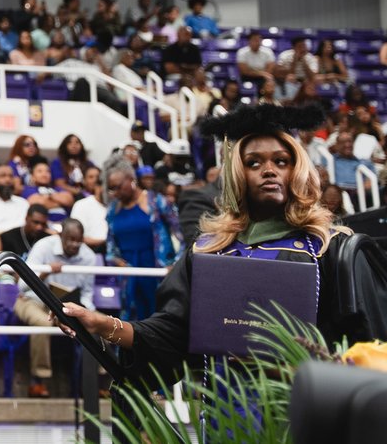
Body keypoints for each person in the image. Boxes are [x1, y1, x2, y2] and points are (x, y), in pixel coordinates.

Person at [61, 104, 387, 391]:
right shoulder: (209, 251)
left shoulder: (332, 249)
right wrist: (104, 325)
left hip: (306, 418)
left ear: (297, 170)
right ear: (237, 174)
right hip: (227, 418)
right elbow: (173, 334)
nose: (269, 170)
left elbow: (369, 353)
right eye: (254, 163)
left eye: (281, 161)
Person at [14, 219, 95, 398]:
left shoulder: (88, 256)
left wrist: (86, 312)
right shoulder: (44, 247)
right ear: (60, 236)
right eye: (70, 239)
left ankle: (97, 384)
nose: (75, 244)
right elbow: (22, 287)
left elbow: (87, 293)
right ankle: (39, 381)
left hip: (68, 305)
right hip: (34, 300)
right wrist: (45, 272)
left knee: (99, 322)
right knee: (43, 323)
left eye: (79, 240)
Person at [104, 155, 182, 321]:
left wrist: (175, 264)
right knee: (131, 321)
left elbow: (182, 235)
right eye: (111, 189)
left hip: (156, 270)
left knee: (159, 318)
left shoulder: (157, 202)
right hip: (129, 275)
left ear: (131, 180)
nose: (114, 193)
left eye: (118, 187)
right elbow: (110, 247)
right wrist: (116, 261)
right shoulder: (112, 209)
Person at [22, 161, 73, 226]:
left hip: (66, 223)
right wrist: (60, 203)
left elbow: (69, 200)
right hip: (44, 225)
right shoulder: (28, 189)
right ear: (32, 176)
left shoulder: (57, 188)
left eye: (48, 171)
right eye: (40, 171)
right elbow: (36, 204)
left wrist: (48, 197)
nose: (44, 174)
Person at [71, 165, 108, 252]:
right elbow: (76, 237)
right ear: (97, 187)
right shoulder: (81, 205)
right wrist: (105, 242)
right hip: (90, 251)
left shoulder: (116, 205)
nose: (108, 192)